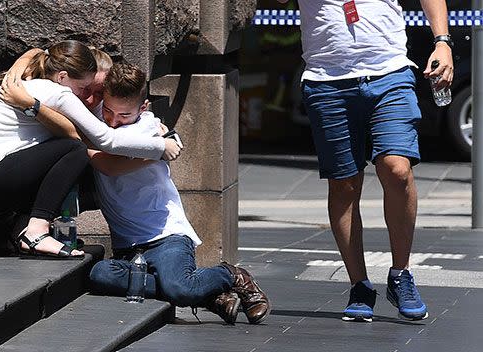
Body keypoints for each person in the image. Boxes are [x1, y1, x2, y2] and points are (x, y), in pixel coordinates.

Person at [277, 0, 453, 321]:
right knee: (344, 184)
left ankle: (401, 275)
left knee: (397, 169)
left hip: (390, 72)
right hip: (326, 79)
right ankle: (359, 284)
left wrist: (442, 41)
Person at [0, 40, 181, 259]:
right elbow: (106, 140)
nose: (86, 96)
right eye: (84, 87)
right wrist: (160, 147)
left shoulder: (20, 86)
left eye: (94, 92)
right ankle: (36, 231)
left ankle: (19, 229)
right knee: (74, 150)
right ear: (63, 77)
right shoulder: (59, 93)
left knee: (61, 155)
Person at [84, 62, 271, 325]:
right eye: (109, 111)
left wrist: (160, 149)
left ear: (143, 108)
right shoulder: (101, 119)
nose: (114, 121)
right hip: (128, 246)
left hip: (166, 237)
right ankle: (208, 296)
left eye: (124, 115)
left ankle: (232, 276)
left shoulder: (147, 130)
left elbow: (109, 164)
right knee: (101, 274)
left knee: (179, 289)